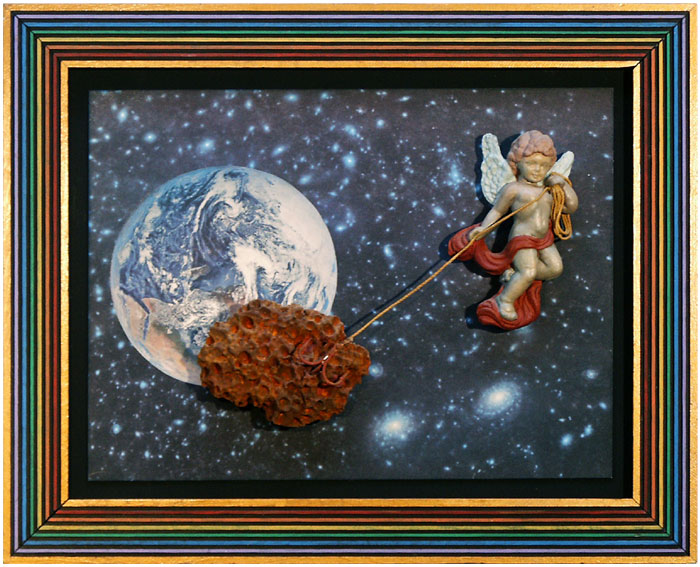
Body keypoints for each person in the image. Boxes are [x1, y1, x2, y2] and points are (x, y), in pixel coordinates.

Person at [466, 131, 578, 322]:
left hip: (544, 239)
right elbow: (497, 211)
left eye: (544, 166)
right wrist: (484, 229)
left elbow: (571, 207)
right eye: (531, 163)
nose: (537, 169)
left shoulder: (548, 191)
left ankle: (515, 274)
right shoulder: (513, 189)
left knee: (555, 269)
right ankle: (505, 300)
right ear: (516, 163)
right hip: (523, 237)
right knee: (528, 272)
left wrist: (563, 185)